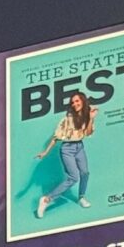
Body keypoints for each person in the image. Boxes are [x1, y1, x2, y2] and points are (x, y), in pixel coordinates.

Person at [35, 89, 96, 217]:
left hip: (79, 146)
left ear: (83, 101)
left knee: (85, 172)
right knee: (73, 177)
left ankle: (81, 197)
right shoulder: (67, 119)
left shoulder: (87, 115)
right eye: (72, 102)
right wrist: (45, 152)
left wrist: (90, 118)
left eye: (77, 101)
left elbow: (89, 133)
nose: (75, 104)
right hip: (67, 148)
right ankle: (46, 200)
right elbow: (56, 138)